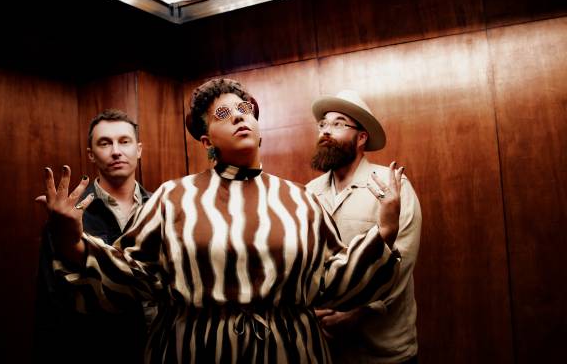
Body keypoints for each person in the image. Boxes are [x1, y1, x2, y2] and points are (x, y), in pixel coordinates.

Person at [39, 78, 406, 363]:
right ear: (205, 140)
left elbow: (332, 280)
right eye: (222, 115)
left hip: (291, 352)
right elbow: (131, 276)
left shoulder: (301, 200)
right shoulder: (173, 198)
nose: (239, 116)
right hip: (195, 352)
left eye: (245, 109)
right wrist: (73, 243)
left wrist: (385, 230)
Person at [306, 90, 422, 364]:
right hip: (328, 349)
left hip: (385, 350)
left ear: (361, 138)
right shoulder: (309, 193)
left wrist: (359, 313)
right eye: (323, 124)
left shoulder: (391, 184)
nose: (326, 131)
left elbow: (402, 259)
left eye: (338, 124)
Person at [33, 109, 152, 363]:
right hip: (94, 350)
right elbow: (50, 302)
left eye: (124, 141)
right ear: (91, 154)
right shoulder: (70, 215)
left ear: (138, 149)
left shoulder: (162, 208)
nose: (116, 151)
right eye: (105, 143)